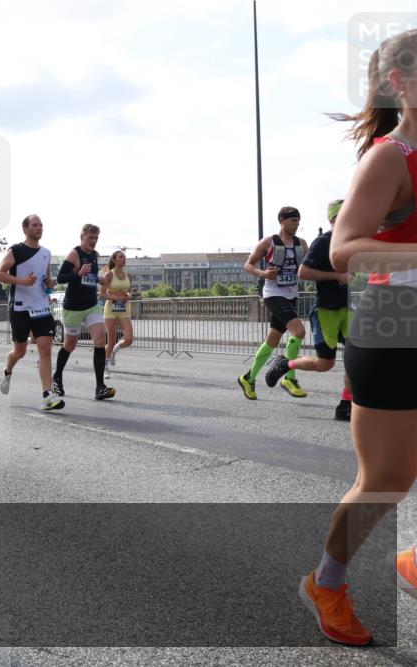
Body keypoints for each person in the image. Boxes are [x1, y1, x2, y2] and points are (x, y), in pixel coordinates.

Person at [298, 29, 417, 646]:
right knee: (387, 480)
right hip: (393, 328)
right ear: (399, 83)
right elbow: (344, 249)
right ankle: (328, 583)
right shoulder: (388, 157)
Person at [265, 200, 354, 420]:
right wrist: (337, 277)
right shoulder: (323, 242)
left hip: (349, 308)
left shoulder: (352, 241)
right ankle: (287, 363)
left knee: (357, 356)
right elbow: (303, 273)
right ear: (334, 218)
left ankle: (345, 404)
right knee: (326, 364)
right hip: (327, 311)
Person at [237, 207, 310, 400]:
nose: (297, 224)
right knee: (300, 332)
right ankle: (289, 377)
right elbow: (248, 265)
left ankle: (248, 378)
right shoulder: (268, 242)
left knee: (273, 340)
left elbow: (310, 264)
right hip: (273, 293)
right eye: (293, 220)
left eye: (298, 221)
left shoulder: (301, 243)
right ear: (282, 220)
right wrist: (263, 274)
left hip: (291, 294)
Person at [0, 214, 64, 411]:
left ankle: (47, 395)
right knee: (20, 351)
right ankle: (7, 371)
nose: (39, 228)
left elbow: (47, 280)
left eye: (41, 225)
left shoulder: (46, 253)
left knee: (45, 348)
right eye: (35, 225)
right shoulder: (15, 250)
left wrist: (50, 284)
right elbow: (0, 275)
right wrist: (21, 281)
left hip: (41, 307)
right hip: (20, 308)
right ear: (25, 229)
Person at [52, 224, 115, 400]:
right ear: (82, 238)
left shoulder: (94, 255)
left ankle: (100, 387)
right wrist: (78, 273)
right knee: (70, 345)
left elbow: (90, 277)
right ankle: (57, 377)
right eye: (90, 238)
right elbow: (61, 278)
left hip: (91, 305)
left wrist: (99, 279)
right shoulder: (75, 254)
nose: (93, 242)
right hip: (73, 307)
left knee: (100, 340)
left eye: (96, 239)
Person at [101, 250, 135, 379]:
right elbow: (102, 294)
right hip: (110, 309)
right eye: (121, 257)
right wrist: (115, 297)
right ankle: (105, 368)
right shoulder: (109, 275)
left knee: (129, 339)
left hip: (123, 310)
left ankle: (115, 350)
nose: (124, 259)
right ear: (115, 260)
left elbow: (130, 292)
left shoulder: (129, 276)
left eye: (124, 257)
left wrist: (128, 296)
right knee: (110, 340)